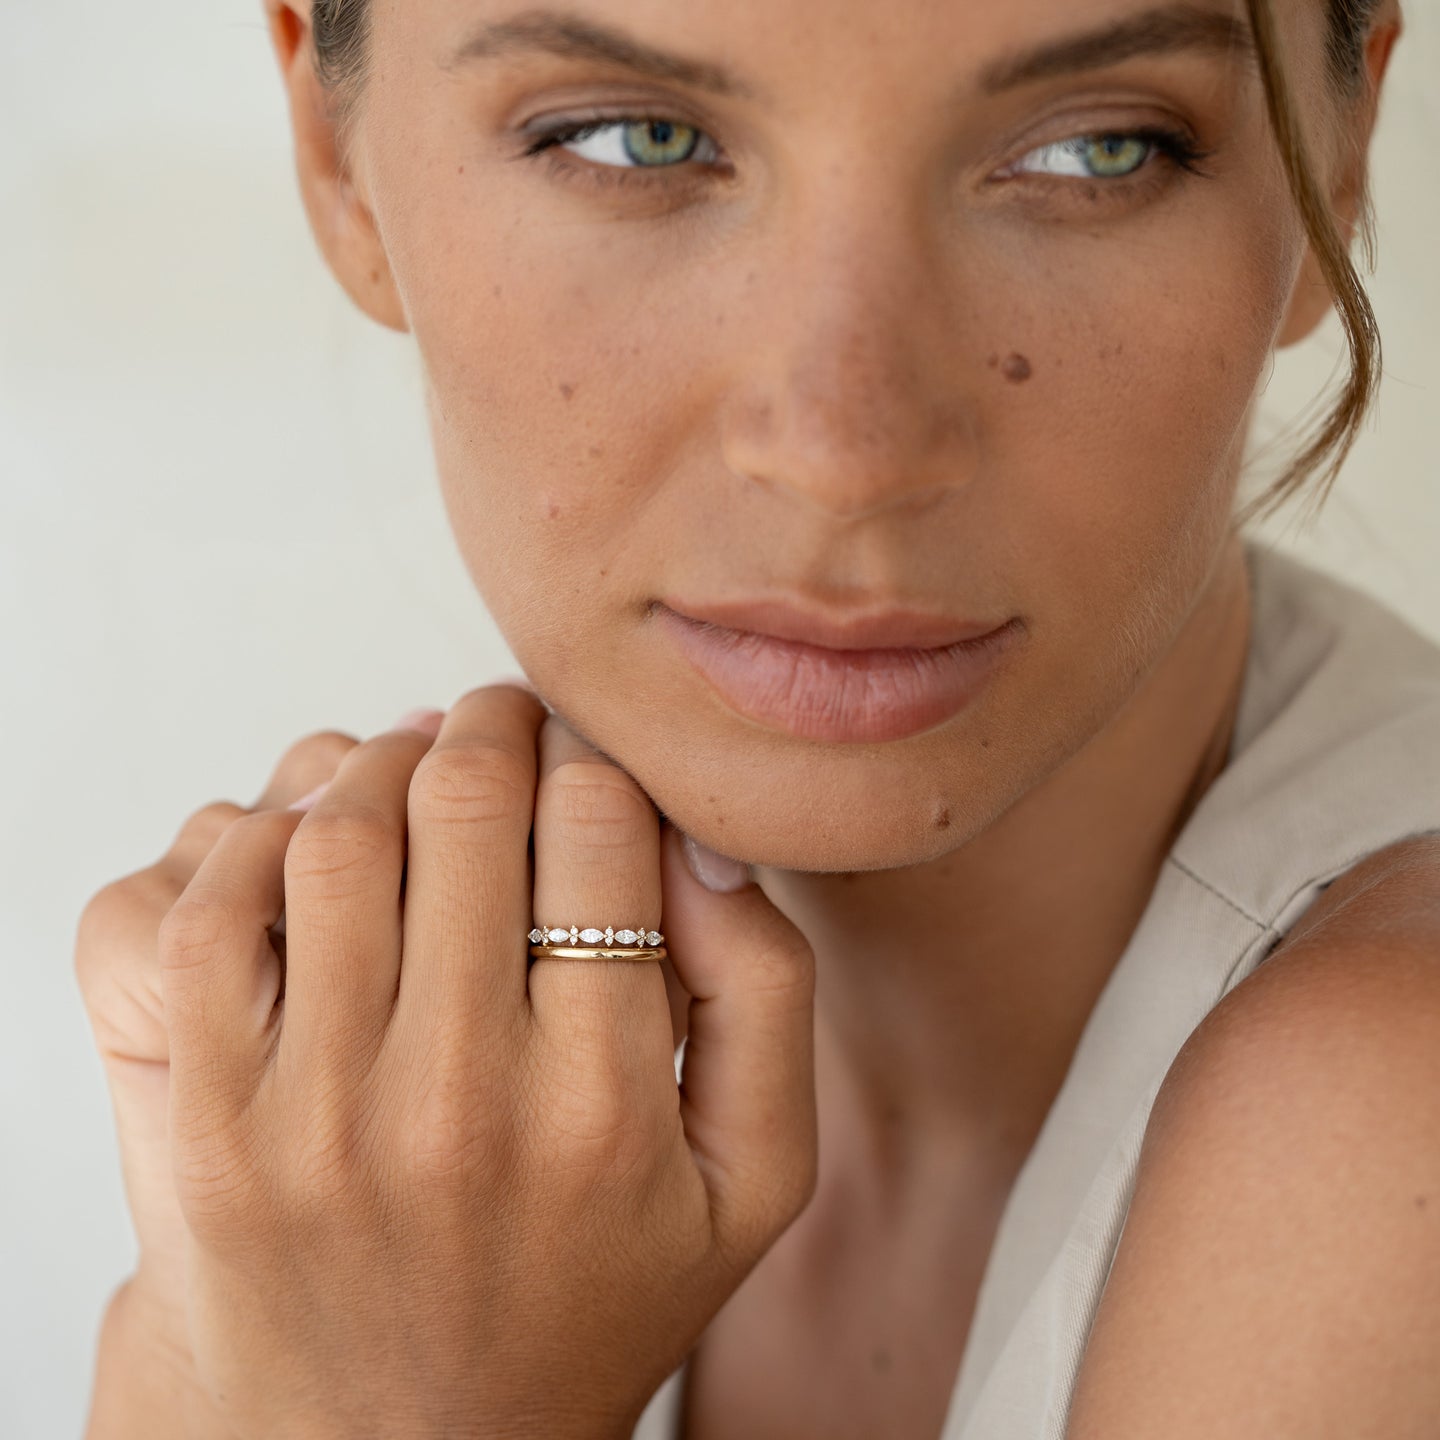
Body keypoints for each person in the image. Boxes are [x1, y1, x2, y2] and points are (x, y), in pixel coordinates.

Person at [75, 0, 1440, 1435]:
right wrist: (198, 1317)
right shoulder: (366, 1139)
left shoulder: (1387, 1111)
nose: (845, 454)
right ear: (332, 146)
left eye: (1101, 149)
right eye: (635, 138)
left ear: (1338, 157)